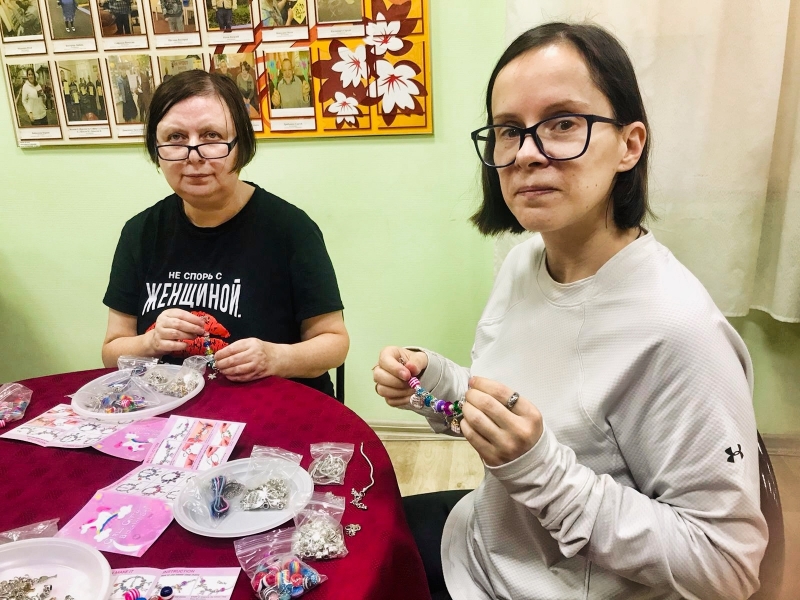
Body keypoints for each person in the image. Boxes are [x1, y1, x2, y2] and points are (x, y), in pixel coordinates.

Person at [372, 22, 768, 600]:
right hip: (483, 544)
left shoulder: (678, 332)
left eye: (562, 123)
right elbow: (522, 409)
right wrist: (433, 383)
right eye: (509, 130)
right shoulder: (525, 262)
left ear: (630, 145)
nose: (527, 153)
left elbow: (727, 566)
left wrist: (542, 473)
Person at [102, 69, 348, 397]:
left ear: (240, 145)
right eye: (175, 137)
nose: (193, 155)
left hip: (272, 406)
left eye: (211, 136)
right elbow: (111, 352)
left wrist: (276, 357)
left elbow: (334, 343)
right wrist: (151, 342)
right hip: (169, 408)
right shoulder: (140, 232)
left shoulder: (290, 229)